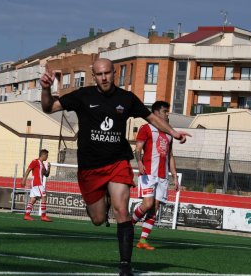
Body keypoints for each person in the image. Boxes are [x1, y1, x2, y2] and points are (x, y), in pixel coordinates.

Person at [40, 58, 190, 276]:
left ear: (114, 73)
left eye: (107, 73)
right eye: (99, 74)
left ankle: (125, 266)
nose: (104, 78)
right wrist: (46, 89)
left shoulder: (126, 99)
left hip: (117, 162)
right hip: (90, 167)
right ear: (94, 76)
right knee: (98, 219)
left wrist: (174, 133)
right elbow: (48, 107)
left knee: (122, 210)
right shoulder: (83, 95)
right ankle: (103, 199)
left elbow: (151, 118)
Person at [132, 101, 180, 250]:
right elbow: (137, 149)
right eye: (165, 111)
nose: (167, 114)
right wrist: (139, 162)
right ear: (157, 113)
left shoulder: (170, 133)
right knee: (147, 204)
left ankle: (143, 241)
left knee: (155, 207)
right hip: (148, 174)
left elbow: (170, 156)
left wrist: (174, 177)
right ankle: (129, 224)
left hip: (162, 176)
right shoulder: (146, 128)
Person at [21, 149, 52, 222]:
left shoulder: (43, 165)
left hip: (36, 184)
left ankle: (27, 215)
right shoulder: (35, 161)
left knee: (33, 199)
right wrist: (24, 179)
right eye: (47, 156)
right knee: (44, 196)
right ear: (43, 155)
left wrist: (49, 168)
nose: (47, 157)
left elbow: (46, 174)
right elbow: (28, 170)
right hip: (37, 183)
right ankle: (43, 216)